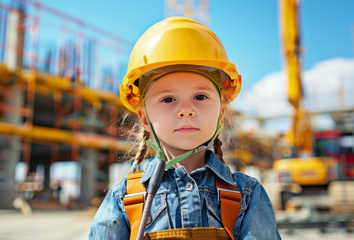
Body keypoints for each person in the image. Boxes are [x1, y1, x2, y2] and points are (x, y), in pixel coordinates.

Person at [89, 16, 281, 240]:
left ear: (220, 114)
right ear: (144, 118)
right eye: (168, 99)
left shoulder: (247, 195)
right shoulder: (125, 198)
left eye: (200, 96)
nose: (186, 110)